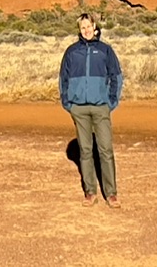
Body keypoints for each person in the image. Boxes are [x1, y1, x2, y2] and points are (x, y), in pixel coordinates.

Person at [57, 11, 123, 206]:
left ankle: (111, 193)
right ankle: (90, 192)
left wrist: (111, 101)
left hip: (101, 107)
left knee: (105, 150)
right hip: (79, 108)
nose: (86, 30)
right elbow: (63, 79)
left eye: (89, 26)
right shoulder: (71, 52)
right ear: (79, 30)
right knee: (85, 151)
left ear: (95, 27)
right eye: (82, 27)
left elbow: (116, 77)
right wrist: (68, 103)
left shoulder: (105, 50)